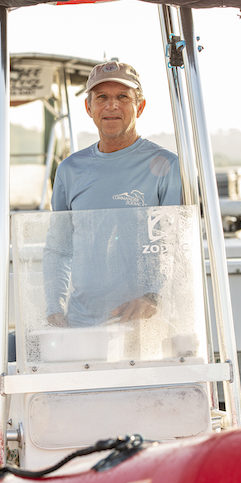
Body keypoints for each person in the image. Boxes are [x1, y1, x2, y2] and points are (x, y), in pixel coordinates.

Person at [45, 60, 182, 327]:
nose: (112, 106)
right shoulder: (70, 169)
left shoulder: (167, 165)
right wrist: (54, 308)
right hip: (82, 322)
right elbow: (59, 249)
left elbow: (174, 245)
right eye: (102, 98)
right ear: (89, 107)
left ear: (139, 106)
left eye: (123, 97)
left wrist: (152, 298)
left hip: (145, 322)